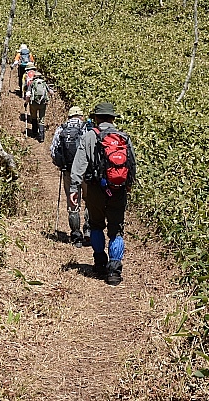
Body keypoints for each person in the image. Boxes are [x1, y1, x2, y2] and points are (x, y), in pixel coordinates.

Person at [68, 102, 136, 285]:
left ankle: (99, 263)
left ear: (96, 118)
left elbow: (79, 166)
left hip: (96, 189)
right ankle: (114, 271)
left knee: (96, 226)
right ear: (113, 118)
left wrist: (74, 189)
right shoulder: (124, 137)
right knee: (116, 230)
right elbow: (132, 165)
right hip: (118, 190)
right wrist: (127, 185)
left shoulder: (90, 136)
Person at [50, 106, 90, 247]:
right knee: (89, 200)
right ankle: (88, 231)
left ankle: (76, 236)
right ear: (80, 116)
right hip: (85, 171)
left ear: (69, 116)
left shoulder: (61, 129)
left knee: (73, 203)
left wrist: (61, 165)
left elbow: (53, 151)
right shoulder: (86, 128)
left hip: (68, 171)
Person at [24, 70, 51, 142]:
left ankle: (34, 133)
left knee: (34, 117)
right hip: (42, 103)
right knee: (41, 119)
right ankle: (41, 137)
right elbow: (50, 92)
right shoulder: (44, 83)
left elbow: (28, 94)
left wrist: (26, 102)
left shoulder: (32, 83)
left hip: (33, 103)